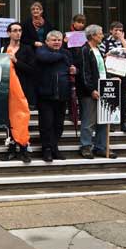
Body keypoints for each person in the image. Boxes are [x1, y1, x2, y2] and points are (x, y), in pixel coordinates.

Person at [76, 24, 118, 159]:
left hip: (103, 88)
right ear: (93, 35)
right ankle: (86, 146)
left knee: (104, 120)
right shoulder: (84, 50)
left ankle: (101, 147)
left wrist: (112, 79)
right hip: (90, 91)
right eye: (100, 33)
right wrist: (91, 89)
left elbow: (101, 70)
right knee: (89, 121)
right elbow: (84, 73)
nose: (102, 35)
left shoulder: (98, 50)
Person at [35, 30, 76, 162]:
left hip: (62, 95)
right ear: (47, 42)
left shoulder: (66, 53)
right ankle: (46, 149)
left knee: (58, 125)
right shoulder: (41, 51)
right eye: (54, 40)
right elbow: (46, 58)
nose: (57, 42)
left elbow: (73, 67)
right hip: (46, 95)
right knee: (46, 124)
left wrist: (75, 70)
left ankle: (54, 148)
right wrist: (61, 56)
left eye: (59, 40)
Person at [0, 22, 36, 163]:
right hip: (6, 89)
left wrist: (16, 61)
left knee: (22, 118)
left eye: (20, 30)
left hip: (22, 88)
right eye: (14, 30)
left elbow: (32, 70)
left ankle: (23, 148)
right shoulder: (3, 49)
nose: (18, 33)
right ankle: (11, 148)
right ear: (8, 33)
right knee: (9, 120)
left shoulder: (27, 49)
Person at [99, 21, 126, 133]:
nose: (118, 32)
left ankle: (123, 122)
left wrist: (122, 39)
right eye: (116, 30)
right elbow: (100, 57)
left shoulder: (125, 41)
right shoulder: (105, 42)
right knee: (111, 98)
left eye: (120, 30)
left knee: (123, 99)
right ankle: (111, 122)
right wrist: (107, 55)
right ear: (111, 30)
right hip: (111, 73)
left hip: (123, 73)